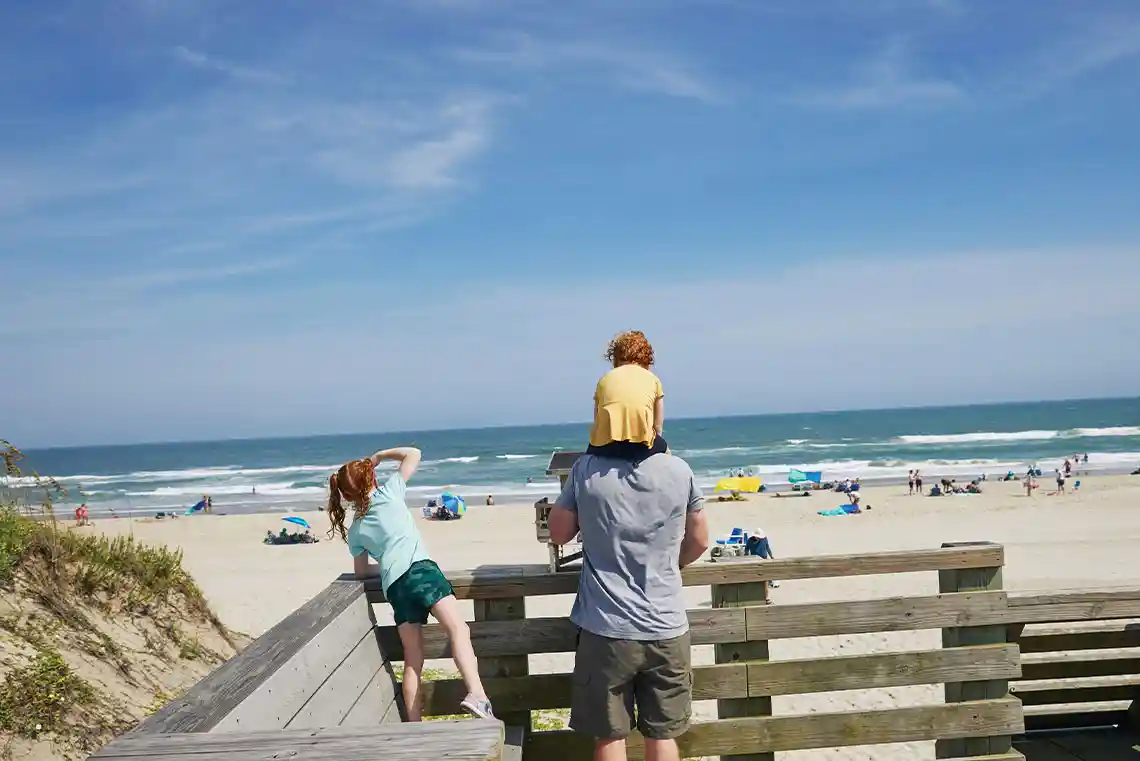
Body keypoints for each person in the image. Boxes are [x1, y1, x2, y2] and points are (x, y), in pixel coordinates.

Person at [547, 448, 709, 761]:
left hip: (606, 627)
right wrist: (672, 567)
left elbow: (558, 532)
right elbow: (700, 539)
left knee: (608, 735)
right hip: (666, 625)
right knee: (662, 734)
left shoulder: (587, 470)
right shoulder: (678, 469)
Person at [326, 446, 494, 721]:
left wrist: (387, 565)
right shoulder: (389, 493)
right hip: (421, 571)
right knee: (457, 629)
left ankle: (414, 724)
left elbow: (360, 572)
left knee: (413, 657)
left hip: (395, 587)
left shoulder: (356, 529)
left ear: (345, 495)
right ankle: (477, 694)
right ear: (372, 480)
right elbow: (413, 453)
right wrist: (380, 456)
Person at [586, 331, 668, 463]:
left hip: (607, 447)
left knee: (585, 463)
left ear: (615, 358)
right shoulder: (653, 380)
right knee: (664, 450)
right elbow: (658, 426)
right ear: (647, 358)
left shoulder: (604, 380)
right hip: (641, 446)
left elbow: (597, 421)